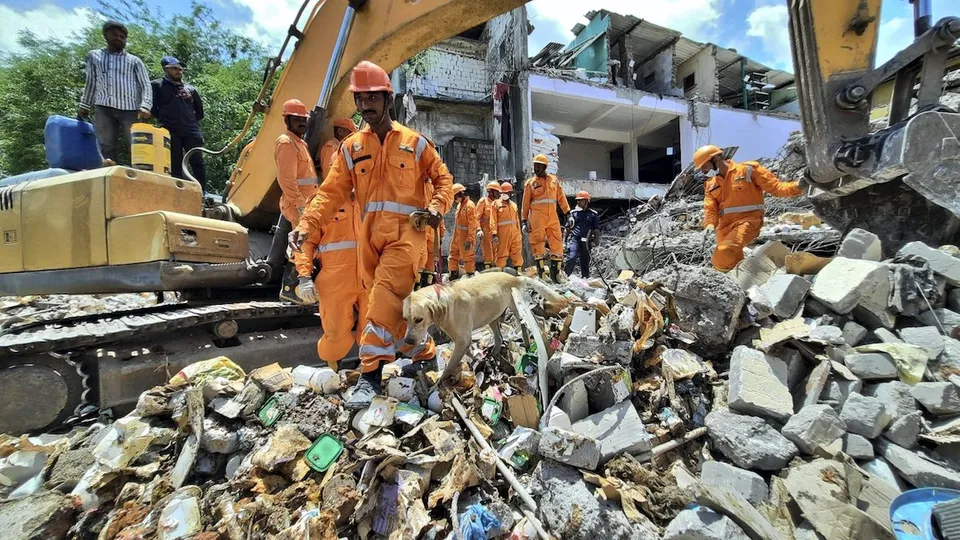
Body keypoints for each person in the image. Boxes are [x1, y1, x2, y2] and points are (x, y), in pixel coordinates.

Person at [289, 60, 453, 408]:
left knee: (381, 297)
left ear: (387, 98)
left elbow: (443, 181)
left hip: (408, 237)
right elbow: (329, 193)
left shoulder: (415, 143)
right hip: (369, 240)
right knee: (392, 307)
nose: (365, 106)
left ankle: (370, 377)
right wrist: (305, 227)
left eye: (371, 98)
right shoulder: (351, 148)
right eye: (360, 100)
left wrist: (437, 209)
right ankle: (423, 352)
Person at [696, 144, 803, 271]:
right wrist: (709, 225)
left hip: (748, 221)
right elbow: (710, 209)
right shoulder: (710, 184)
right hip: (724, 228)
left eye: (705, 167)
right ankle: (737, 284)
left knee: (723, 252)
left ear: (715, 159)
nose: (704, 172)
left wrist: (798, 186)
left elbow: (776, 187)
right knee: (731, 262)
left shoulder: (748, 170)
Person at [293, 193, 366, 370]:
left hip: (371, 279)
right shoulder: (322, 201)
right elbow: (306, 242)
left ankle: (370, 376)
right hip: (335, 280)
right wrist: (304, 277)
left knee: (374, 331)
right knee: (335, 333)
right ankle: (334, 374)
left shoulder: (373, 197)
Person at [78, 20, 152, 165]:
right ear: (106, 35)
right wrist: (85, 105)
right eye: (114, 35)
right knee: (106, 144)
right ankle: (110, 174)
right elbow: (91, 82)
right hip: (103, 106)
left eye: (122, 36)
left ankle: (140, 174)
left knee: (137, 144)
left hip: (130, 109)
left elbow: (145, 84)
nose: (118, 38)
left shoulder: (134, 61)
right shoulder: (95, 56)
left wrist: (146, 105)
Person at [151, 56, 206, 190]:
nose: (178, 71)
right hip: (170, 131)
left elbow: (200, 112)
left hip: (191, 131)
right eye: (174, 68)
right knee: (174, 163)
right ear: (166, 69)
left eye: (180, 69)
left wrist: (188, 121)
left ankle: (202, 191)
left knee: (197, 162)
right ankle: (178, 191)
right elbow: (153, 108)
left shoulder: (190, 89)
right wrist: (165, 119)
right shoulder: (157, 85)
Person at [522, 154, 570, 282]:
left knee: (557, 243)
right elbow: (525, 203)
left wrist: (568, 213)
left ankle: (556, 274)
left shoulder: (554, 180)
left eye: (538, 166)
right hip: (537, 217)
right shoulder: (530, 183)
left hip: (552, 216)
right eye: (534, 165)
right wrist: (524, 221)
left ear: (544, 166)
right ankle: (542, 274)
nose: (535, 168)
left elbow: (561, 198)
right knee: (538, 244)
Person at [275, 99, 318, 228]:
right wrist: (300, 205)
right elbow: (287, 180)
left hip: (307, 203)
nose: (302, 123)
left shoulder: (299, 144)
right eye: (297, 120)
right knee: (302, 245)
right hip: (298, 205)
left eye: (303, 120)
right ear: (286, 121)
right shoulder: (286, 143)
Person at [563, 191, 601, 278]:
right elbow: (567, 228)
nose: (578, 202)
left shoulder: (593, 214)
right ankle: (564, 277)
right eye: (578, 200)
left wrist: (596, 242)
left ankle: (585, 279)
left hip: (586, 242)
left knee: (585, 262)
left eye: (580, 200)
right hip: (574, 239)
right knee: (572, 258)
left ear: (586, 201)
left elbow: (596, 230)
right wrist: (564, 242)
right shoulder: (573, 213)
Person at [447, 184, 481, 280]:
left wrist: (469, 239)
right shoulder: (459, 206)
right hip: (457, 236)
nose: (454, 199)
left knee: (468, 258)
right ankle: (453, 276)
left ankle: (470, 277)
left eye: (455, 196)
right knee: (453, 255)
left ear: (460, 194)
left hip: (465, 238)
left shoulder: (470, 205)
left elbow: (472, 224)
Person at [494, 182, 523, 272]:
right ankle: (500, 277)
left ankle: (518, 276)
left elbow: (517, 220)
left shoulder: (514, 205)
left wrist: (519, 233)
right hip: (503, 235)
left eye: (507, 193)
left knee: (517, 255)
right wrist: (494, 234)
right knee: (501, 255)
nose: (505, 194)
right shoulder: (496, 204)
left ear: (510, 193)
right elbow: (493, 220)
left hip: (515, 234)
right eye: (503, 193)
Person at [475, 181, 500, 271]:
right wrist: (478, 229)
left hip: (496, 234)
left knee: (497, 257)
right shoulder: (483, 202)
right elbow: (476, 217)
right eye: (497, 191)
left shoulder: (498, 203)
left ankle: (496, 273)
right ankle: (488, 274)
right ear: (491, 191)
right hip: (486, 233)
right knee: (488, 256)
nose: (498, 194)